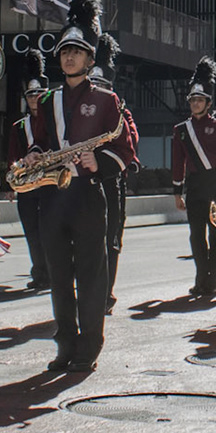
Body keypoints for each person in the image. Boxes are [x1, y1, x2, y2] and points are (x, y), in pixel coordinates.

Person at [28, 0, 134, 373]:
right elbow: (40, 139)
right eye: (64, 52)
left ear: (90, 58)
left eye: (77, 51)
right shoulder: (48, 101)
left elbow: (125, 150)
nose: (69, 57)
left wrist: (98, 161)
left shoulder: (106, 100)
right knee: (59, 276)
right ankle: (65, 344)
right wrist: (34, 153)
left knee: (90, 275)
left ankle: (89, 346)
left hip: (88, 196)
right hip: (53, 197)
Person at [170, 56, 216, 300]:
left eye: (200, 100)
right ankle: (201, 278)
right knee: (196, 235)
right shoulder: (181, 130)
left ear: (208, 103)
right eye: (193, 100)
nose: (195, 103)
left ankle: (212, 283)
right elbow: (178, 163)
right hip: (195, 186)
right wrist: (177, 192)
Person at [92, 33, 139, 314]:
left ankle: (106, 293)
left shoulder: (121, 111)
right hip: (83, 182)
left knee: (111, 239)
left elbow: (131, 140)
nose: (96, 89)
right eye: (93, 84)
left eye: (101, 85)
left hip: (110, 181)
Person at [5, 48, 50, 291]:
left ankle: (52, 272)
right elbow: (12, 154)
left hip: (49, 183)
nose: (34, 99)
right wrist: (12, 183)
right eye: (31, 95)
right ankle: (39, 273)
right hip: (27, 186)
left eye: (39, 94)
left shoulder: (54, 121)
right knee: (32, 232)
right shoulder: (19, 126)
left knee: (48, 231)